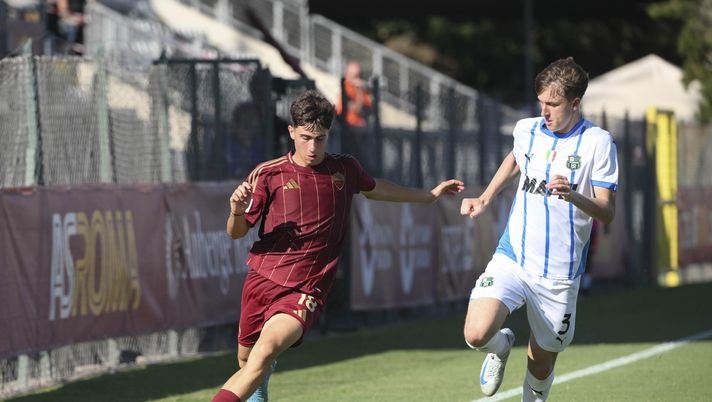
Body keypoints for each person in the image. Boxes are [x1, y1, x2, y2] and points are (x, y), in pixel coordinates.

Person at [212, 90, 464, 402]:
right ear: (291, 131)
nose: (313, 146)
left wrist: (429, 195)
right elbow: (236, 232)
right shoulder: (268, 174)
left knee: (262, 355)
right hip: (262, 280)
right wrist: (236, 210)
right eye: (305, 137)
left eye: (321, 138)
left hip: (307, 288)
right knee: (247, 363)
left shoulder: (344, 169)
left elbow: (377, 188)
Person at [460, 57, 617, 401]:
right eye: (541, 102)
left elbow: (606, 212)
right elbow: (517, 157)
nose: (544, 111)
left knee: (541, 364)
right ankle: (500, 348)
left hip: (559, 275)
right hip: (514, 257)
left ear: (575, 103)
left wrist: (574, 195)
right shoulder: (526, 129)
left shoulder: (598, 142)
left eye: (553, 104)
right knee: (475, 332)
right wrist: (486, 196)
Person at [335, 61, 372, 127]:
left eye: (357, 75)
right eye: (353, 74)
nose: (356, 78)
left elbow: (369, 106)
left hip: (359, 124)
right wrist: (359, 90)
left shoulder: (361, 89)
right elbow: (357, 109)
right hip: (346, 124)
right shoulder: (345, 87)